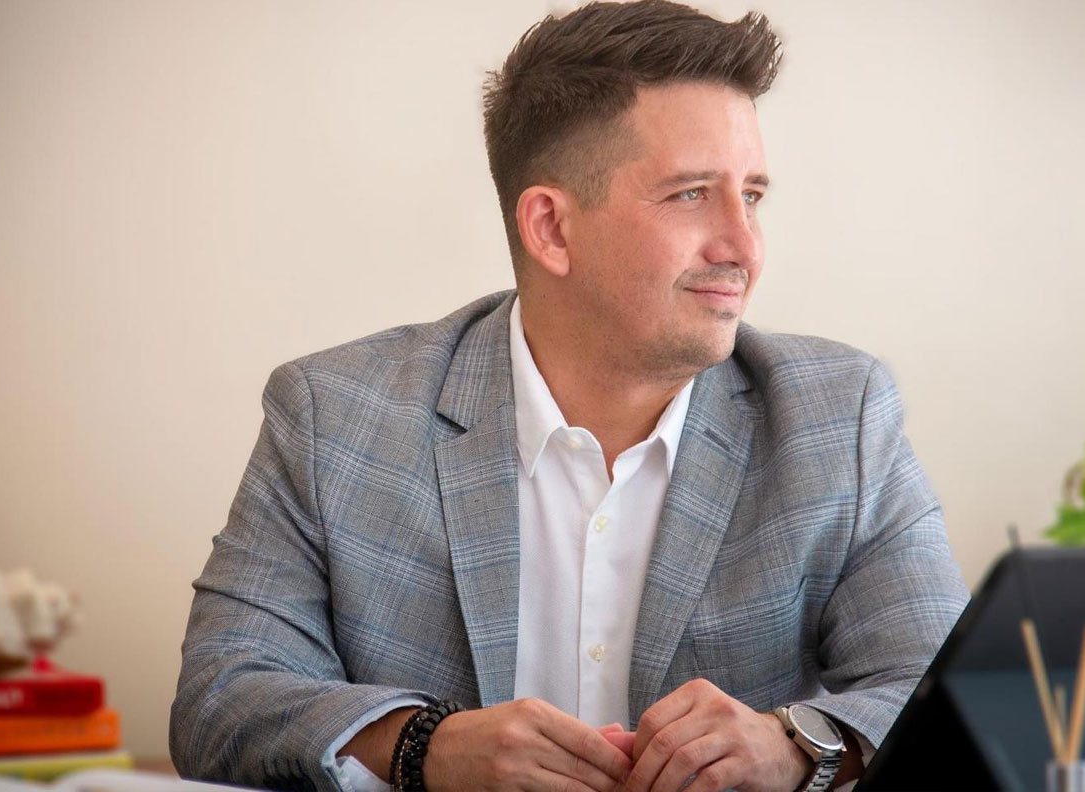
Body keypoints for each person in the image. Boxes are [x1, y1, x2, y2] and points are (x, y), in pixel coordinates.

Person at [170, 2, 970, 791]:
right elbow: (221, 695)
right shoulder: (335, 418)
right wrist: (425, 746)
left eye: (752, 195)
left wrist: (795, 747)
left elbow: (960, 697)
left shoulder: (839, 418)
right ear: (551, 227)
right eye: (692, 194)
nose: (744, 245)